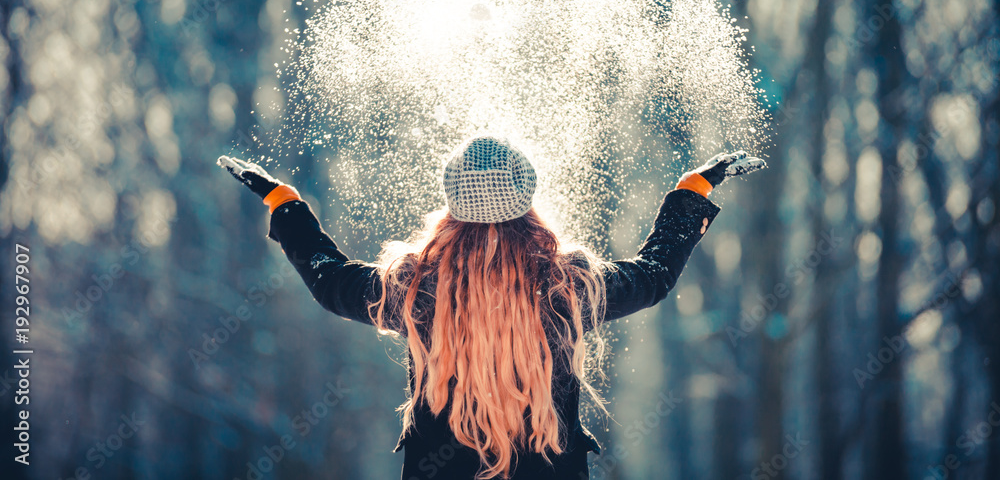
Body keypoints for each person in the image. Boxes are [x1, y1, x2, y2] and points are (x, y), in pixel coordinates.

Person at [218, 136, 765, 480]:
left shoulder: (416, 288)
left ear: (452, 202)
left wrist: (283, 203)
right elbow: (653, 275)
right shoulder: (565, 285)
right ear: (527, 200)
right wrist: (692, 190)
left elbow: (330, 280)